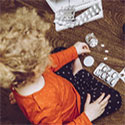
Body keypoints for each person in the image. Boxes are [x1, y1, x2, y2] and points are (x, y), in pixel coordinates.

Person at [0, 7, 122, 125]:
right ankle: (79, 73)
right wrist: (87, 116)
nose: (47, 58)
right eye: (43, 57)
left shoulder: (13, 76)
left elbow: (51, 61)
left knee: (61, 50)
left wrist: (74, 51)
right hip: (76, 107)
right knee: (115, 99)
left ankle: (76, 74)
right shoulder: (45, 111)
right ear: (36, 69)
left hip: (61, 87)